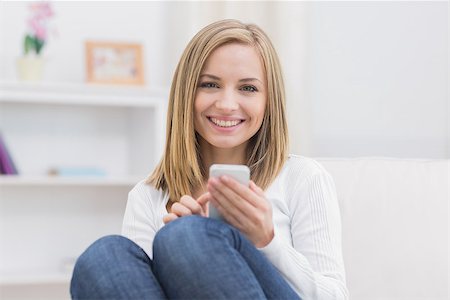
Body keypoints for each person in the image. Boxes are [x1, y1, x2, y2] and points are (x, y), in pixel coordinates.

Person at [70, 19, 349, 300]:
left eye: (248, 88)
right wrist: (185, 255)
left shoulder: (302, 178)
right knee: (103, 257)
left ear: (269, 101)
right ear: (186, 93)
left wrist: (266, 242)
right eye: (210, 84)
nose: (227, 104)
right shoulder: (148, 196)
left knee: (185, 237)